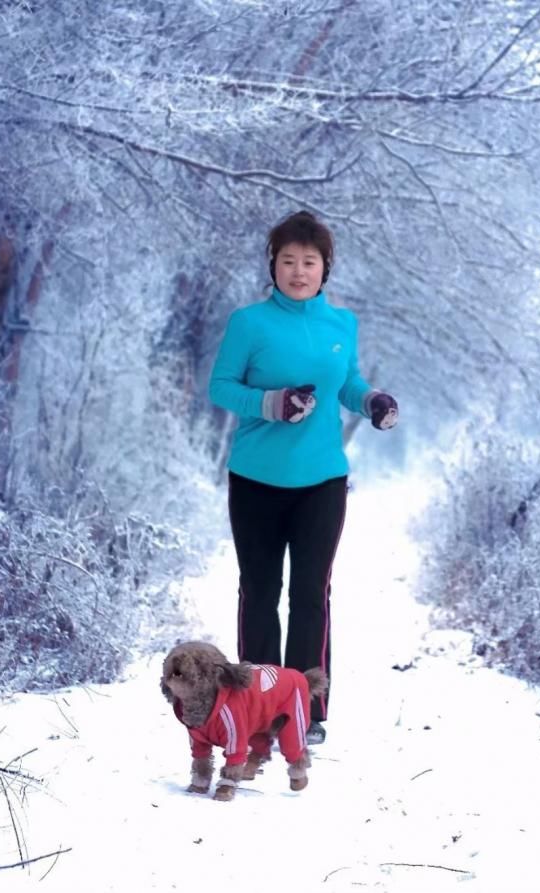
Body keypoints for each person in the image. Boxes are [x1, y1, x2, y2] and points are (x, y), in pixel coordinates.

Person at [207, 209, 398, 745]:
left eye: (308, 262)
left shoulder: (342, 324)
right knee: (261, 592)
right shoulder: (249, 323)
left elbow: (348, 383)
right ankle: (258, 706)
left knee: (312, 595)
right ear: (273, 265)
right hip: (257, 480)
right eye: (287, 260)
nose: (297, 271)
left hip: (322, 482)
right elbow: (221, 388)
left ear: (325, 268)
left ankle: (307, 710)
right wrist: (270, 402)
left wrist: (372, 400)